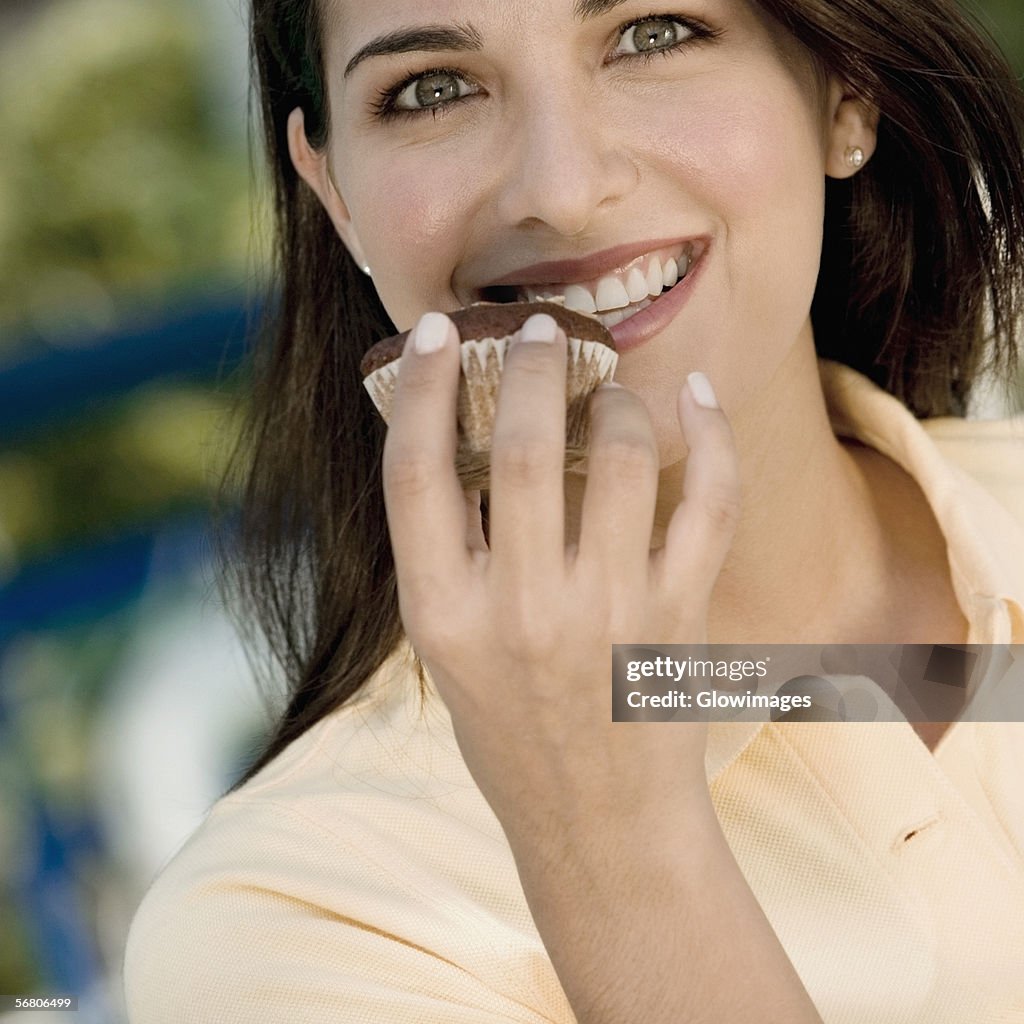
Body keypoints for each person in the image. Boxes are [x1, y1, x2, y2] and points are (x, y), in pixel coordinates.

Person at [124, 0, 1024, 1020]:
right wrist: (608, 849)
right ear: (332, 189)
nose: (559, 190)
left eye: (653, 33)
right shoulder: (291, 925)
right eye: (430, 90)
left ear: (841, 86)